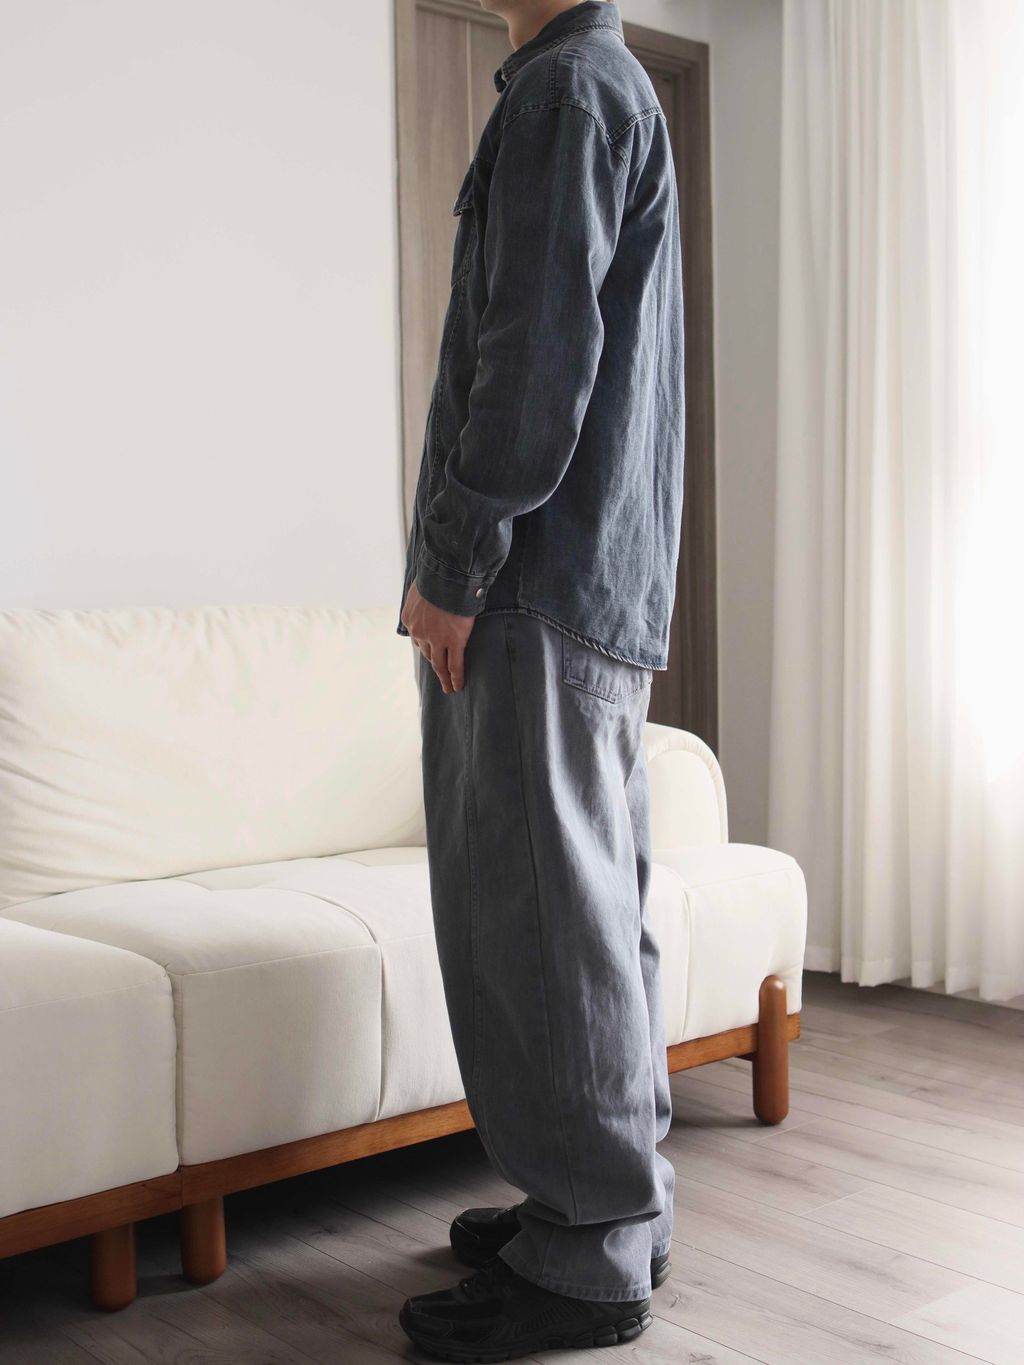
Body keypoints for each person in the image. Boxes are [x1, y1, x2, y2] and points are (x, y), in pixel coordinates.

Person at [395, 0, 685, 1356]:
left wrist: (454, 564)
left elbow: (532, 360)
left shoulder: (567, 92)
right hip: (594, 586)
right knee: (592, 916)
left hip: (533, 586)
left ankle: (586, 1248)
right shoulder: (602, 85)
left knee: (544, 927)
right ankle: (612, 1207)